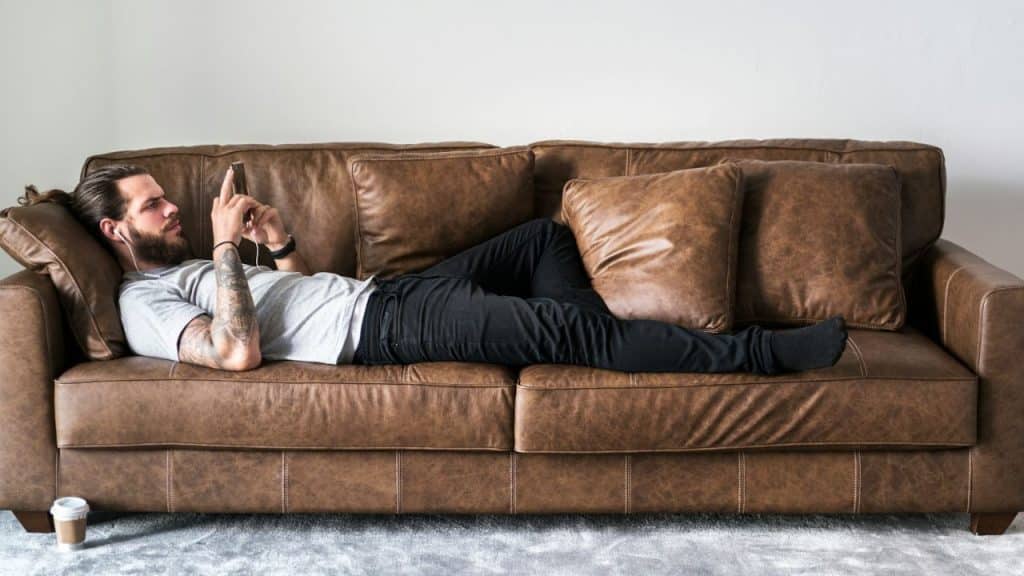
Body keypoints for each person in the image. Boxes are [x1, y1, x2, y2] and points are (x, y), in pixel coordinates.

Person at [42, 163, 847, 374]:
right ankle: (760, 353)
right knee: (565, 329)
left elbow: (306, 293)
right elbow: (237, 354)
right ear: (114, 230)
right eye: (153, 209)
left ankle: (595, 339)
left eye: (165, 203)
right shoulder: (146, 299)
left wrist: (281, 245)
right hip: (384, 332)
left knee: (539, 236)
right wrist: (223, 247)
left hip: (384, 295)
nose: (172, 211)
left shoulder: (180, 261)